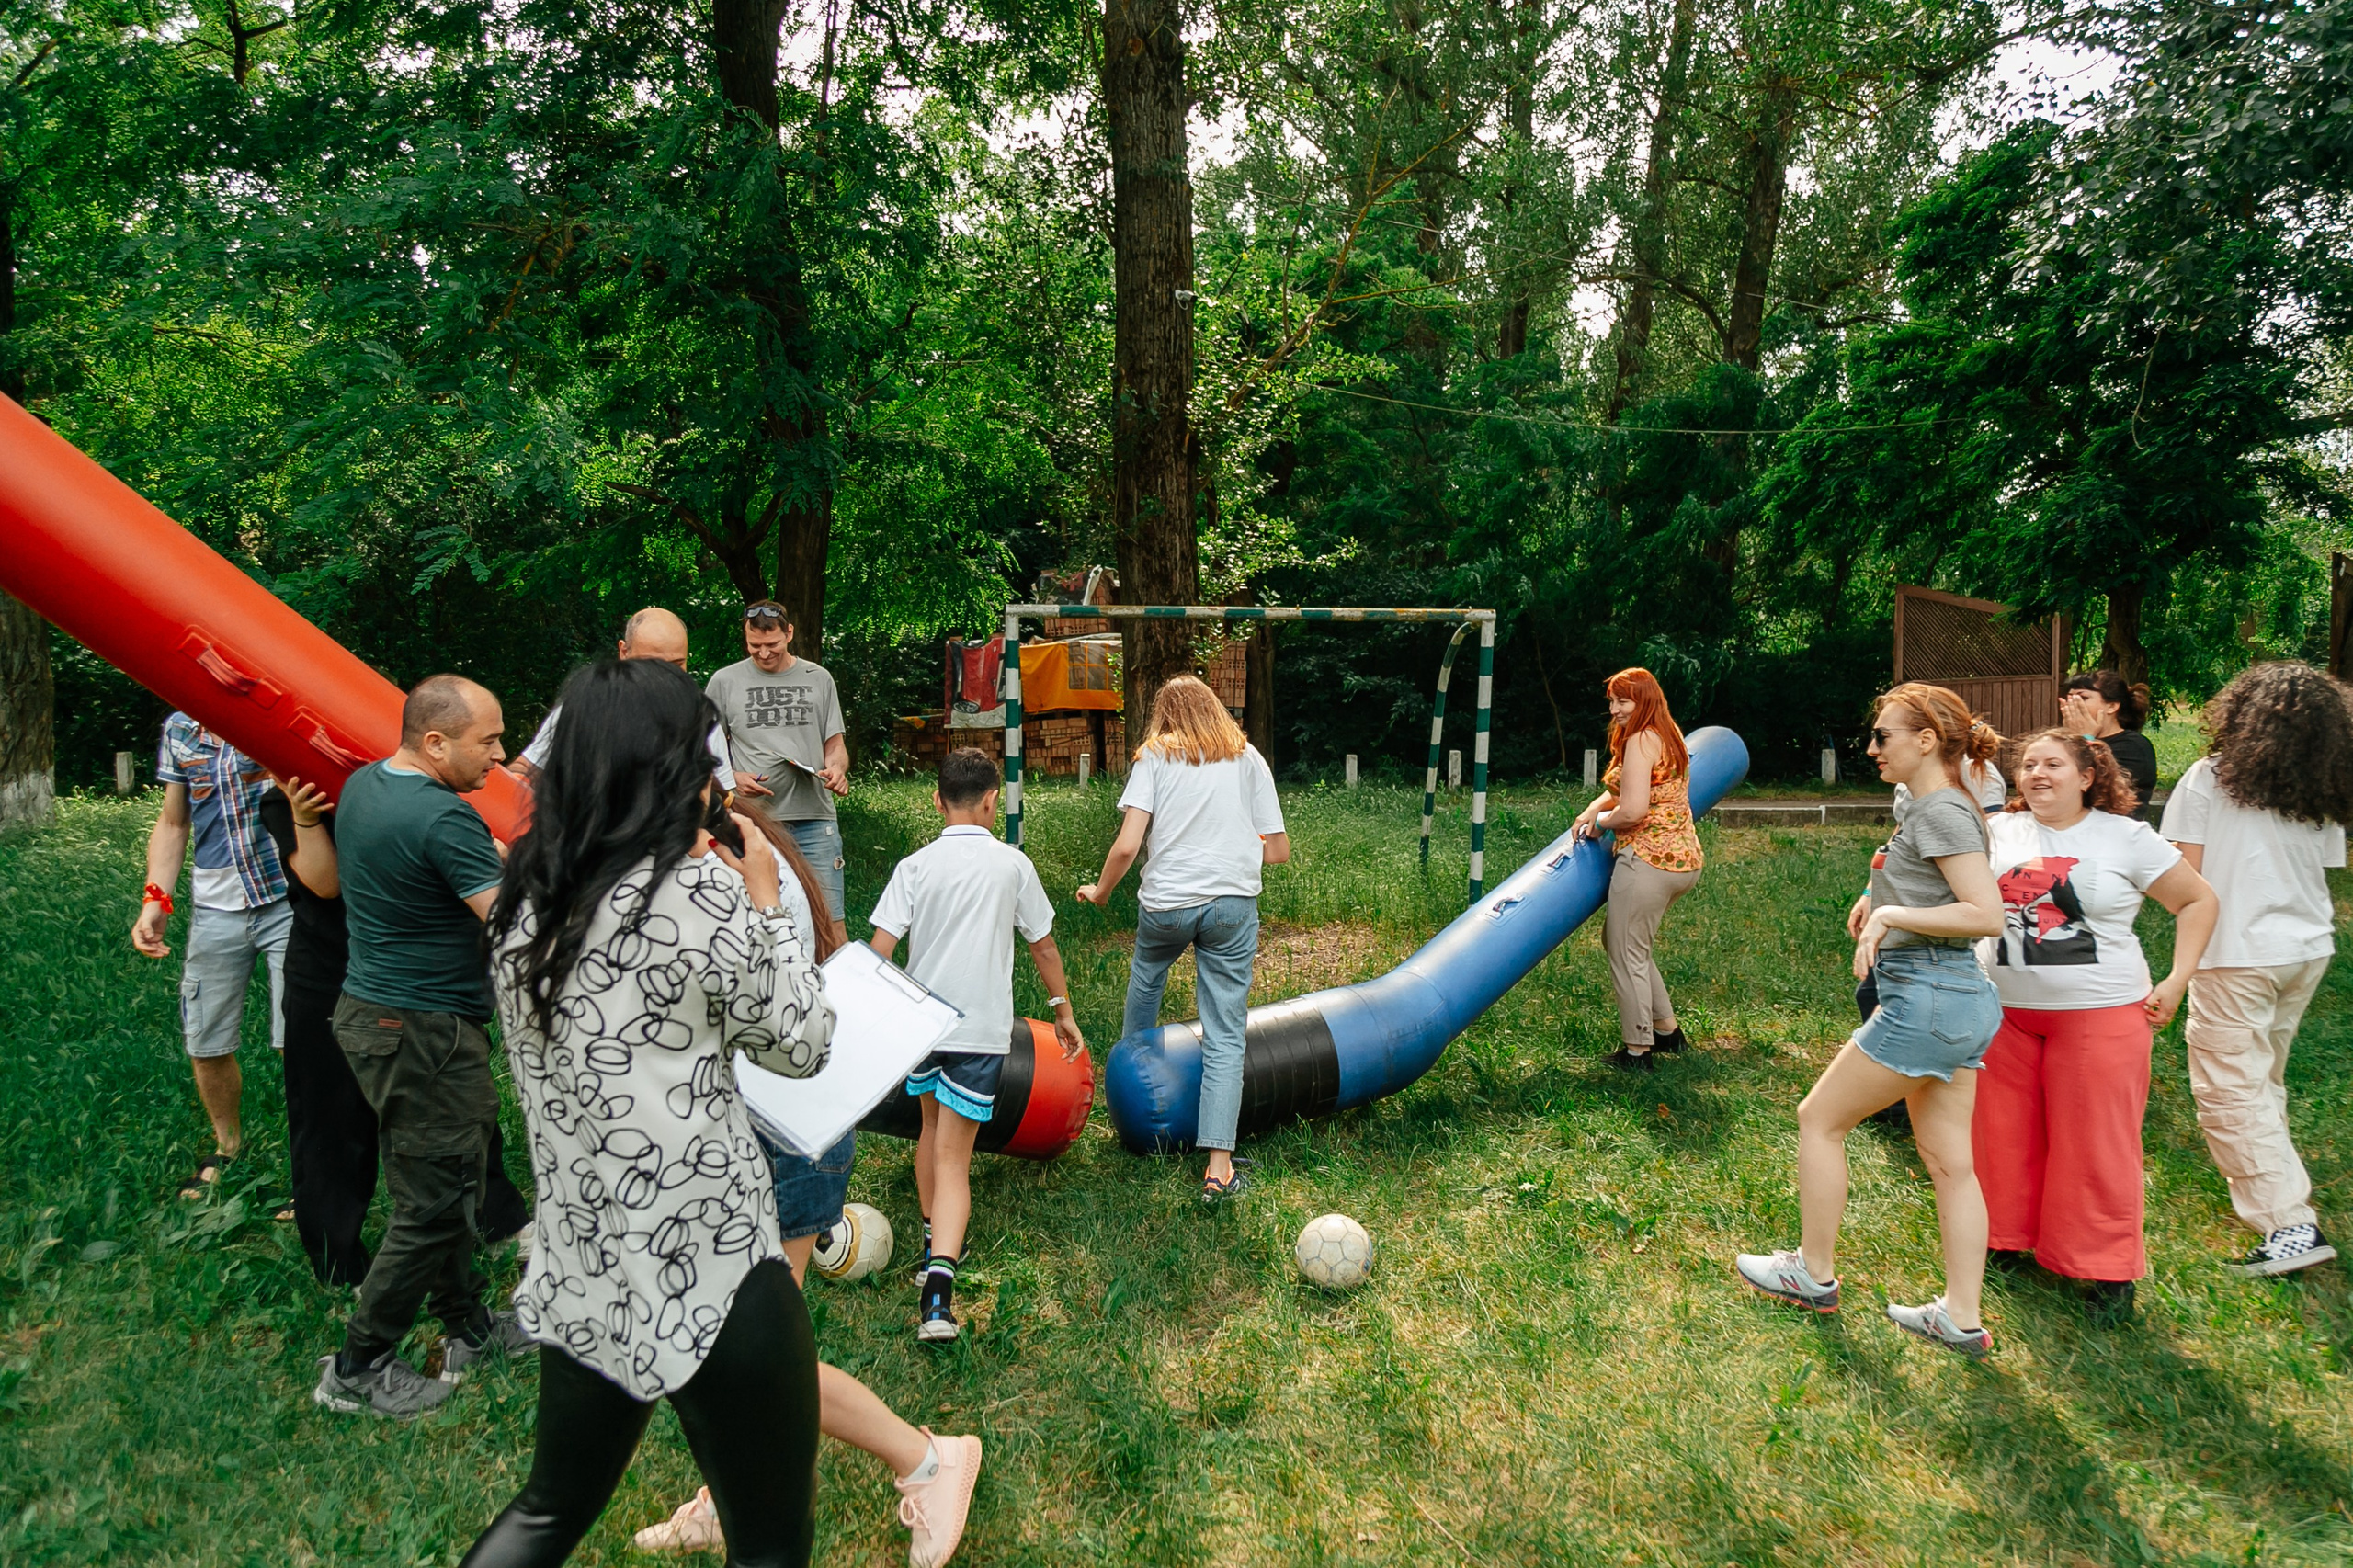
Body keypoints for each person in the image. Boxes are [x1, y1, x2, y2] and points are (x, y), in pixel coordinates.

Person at [466, 656, 834, 1567]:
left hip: (585, 1256)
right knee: (770, 1548)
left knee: (549, 1507)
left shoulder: (525, 905)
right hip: (714, 1258)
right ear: (673, 768)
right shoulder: (699, 895)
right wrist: (766, 906)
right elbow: (802, 1043)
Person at [634, 801, 983, 1568]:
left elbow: (757, 1011)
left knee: (758, 1356)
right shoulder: (719, 852)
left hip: (787, 1132)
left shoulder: (732, 865)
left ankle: (930, 1461)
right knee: (729, 1347)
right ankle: (729, 1500)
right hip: (751, 1129)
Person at [1735, 683, 2006, 1357]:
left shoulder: (1941, 809)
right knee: (1950, 1164)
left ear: (1926, 740)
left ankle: (1812, 1273)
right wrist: (1874, 894)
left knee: (1819, 1120)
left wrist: (1890, 915)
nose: (1871, 748)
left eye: (1883, 736)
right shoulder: (1929, 805)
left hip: (1928, 994)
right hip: (1956, 1001)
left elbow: (1985, 913)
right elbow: (1929, 881)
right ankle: (1960, 1318)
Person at [311, 675, 530, 1420]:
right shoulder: (443, 817)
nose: (498, 756)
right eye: (487, 741)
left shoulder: (367, 786)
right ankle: (359, 1366)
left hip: (377, 1016)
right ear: (435, 742)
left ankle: (469, 1329)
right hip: (423, 1030)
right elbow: (513, 928)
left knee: (446, 1181)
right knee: (435, 1202)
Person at [1974, 730, 2218, 1323]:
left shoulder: (2126, 837)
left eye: (2053, 764)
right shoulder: (1996, 831)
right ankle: (2004, 1239)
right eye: (2028, 765)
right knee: (2000, 1134)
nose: (2037, 774)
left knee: (2095, 1144)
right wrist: (1874, 890)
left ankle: (2105, 1268)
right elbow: (1921, 857)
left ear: (2087, 777)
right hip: (2002, 1014)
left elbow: (2198, 901)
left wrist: (2177, 979)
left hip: (2100, 1016)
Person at [874, 748, 1084, 1343]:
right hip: (979, 1036)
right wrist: (1062, 1012)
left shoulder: (914, 867)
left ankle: (930, 1246)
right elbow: (1043, 945)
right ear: (993, 801)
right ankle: (938, 1296)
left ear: (937, 801)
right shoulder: (1012, 865)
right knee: (953, 1159)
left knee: (929, 1131)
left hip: (922, 1029)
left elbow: (880, 951)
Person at [2159, 661, 2353, 1278]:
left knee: (2230, 1091)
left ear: (2240, 714)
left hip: (2238, 952)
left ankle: (2288, 1225)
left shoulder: (2208, 778)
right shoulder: (2322, 791)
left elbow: (2181, 879)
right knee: (2261, 1079)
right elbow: (2321, 869)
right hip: (2305, 949)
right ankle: (2283, 1194)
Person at [1077, 675, 1290, 1203]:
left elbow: (1127, 846)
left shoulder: (1154, 757)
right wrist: (1236, 848)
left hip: (1167, 907)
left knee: (1147, 978)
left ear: (1164, 716)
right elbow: (1278, 850)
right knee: (1225, 1033)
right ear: (1215, 709)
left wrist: (1101, 891)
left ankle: (1125, 1097)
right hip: (1232, 909)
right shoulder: (1247, 757)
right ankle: (1218, 1168)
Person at [131, 713, 292, 1199]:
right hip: (215, 907)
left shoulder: (269, 712)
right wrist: (156, 899)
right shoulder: (181, 729)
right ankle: (228, 1148)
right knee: (205, 1040)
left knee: (298, 1039)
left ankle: (311, 1162)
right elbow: (173, 822)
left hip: (288, 897)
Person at [256, 775, 380, 1286]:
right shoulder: (283, 799)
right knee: (330, 1120)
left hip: (407, 967)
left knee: (449, 1107)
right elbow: (325, 884)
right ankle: (339, 1263)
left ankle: (488, 1222)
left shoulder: (403, 784)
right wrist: (306, 820)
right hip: (329, 974)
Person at [1571, 667, 1703, 1071]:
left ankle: (1637, 1050)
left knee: (1626, 951)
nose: (1615, 709)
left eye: (1623, 701)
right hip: (1681, 860)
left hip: (1647, 859)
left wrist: (1601, 824)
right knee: (1628, 944)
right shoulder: (1667, 733)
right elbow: (1623, 789)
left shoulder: (1641, 738)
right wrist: (1592, 808)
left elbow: (1631, 810)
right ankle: (1667, 1032)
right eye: (1612, 701)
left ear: (1643, 700)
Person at [707, 600, 850, 947]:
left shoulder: (818, 678)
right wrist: (733, 778)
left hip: (814, 819)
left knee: (830, 925)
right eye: (754, 645)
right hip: (753, 823)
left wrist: (836, 769)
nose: (764, 653)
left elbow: (835, 745)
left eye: (772, 644)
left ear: (789, 633)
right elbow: (706, 751)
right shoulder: (724, 681)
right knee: (757, 922)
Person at [509, 606, 734, 797]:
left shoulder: (701, 720)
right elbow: (523, 771)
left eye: (677, 665)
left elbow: (725, 802)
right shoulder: (582, 710)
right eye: (651, 664)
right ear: (623, 652)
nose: (665, 677)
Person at [2062, 669, 2158, 818]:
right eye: (2069, 699)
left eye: (2083, 698)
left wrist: (2084, 739)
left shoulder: (2133, 746)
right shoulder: (2062, 743)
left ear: (2112, 706)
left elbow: (2092, 791)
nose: (2072, 705)